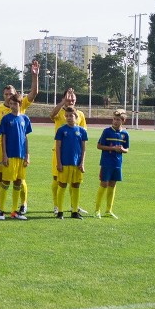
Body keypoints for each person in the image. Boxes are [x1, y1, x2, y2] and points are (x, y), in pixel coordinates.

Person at [0, 61, 39, 215]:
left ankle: (22, 204)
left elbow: (34, 93)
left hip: (19, 151)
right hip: (2, 149)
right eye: (6, 94)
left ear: (15, 95)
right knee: (0, 177)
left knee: (20, 179)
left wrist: (34, 76)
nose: (8, 97)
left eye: (11, 94)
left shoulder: (21, 105)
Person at [49, 88, 89, 216]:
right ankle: (56, 206)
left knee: (75, 180)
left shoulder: (80, 114)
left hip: (75, 153)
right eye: (68, 98)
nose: (71, 100)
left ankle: (74, 207)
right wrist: (62, 102)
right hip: (60, 151)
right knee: (57, 179)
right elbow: (51, 115)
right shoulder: (61, 111)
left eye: (73, 98)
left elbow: (83, 135)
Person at [0, 94, 32, 220]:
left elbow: (26, 137)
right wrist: (4, 155)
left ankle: (14, 211)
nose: (12, 106)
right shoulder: (6, 119)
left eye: (14, 104)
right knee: (6, 181)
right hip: (10, 155)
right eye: (10, 104)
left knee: (18, 181)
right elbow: (4, 137)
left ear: (20, 104)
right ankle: (1, 210)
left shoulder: (25, 119)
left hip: (21, 155)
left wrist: (27, 154)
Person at [95, 109, 129, 218]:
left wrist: (122, 149)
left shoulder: (125, 134)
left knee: (113, 185)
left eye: (118, 119)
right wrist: (113, 148)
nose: (115, 121)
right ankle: (97, 210)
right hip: (106, 162)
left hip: (117, 163)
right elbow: (99, 146)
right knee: (104, 184)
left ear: (123, 120)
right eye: (114, 119)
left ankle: (108, 210)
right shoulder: (106, 131)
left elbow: (127, 149)